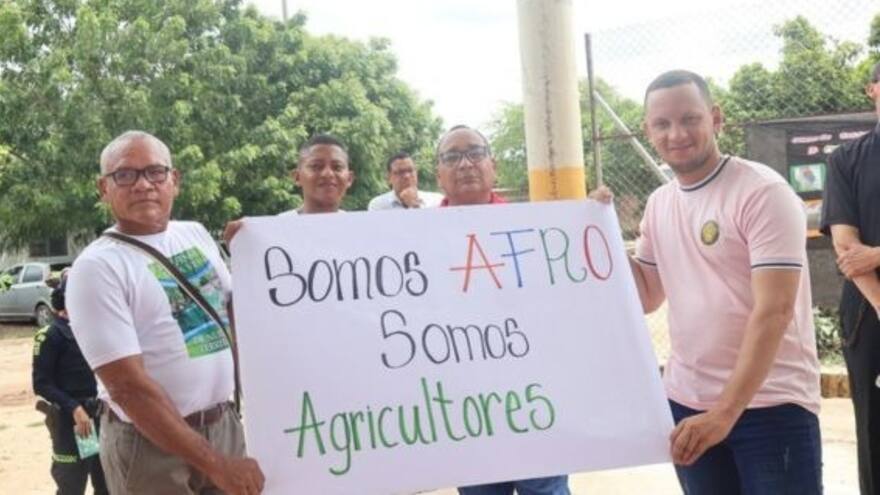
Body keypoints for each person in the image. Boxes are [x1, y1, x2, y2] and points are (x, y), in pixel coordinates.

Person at [625, 70, 822, 494]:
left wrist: (724, 413)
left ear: (715, 118)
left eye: (689, 118)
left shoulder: (763, 192)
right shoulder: (659, 204)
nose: (676, 133)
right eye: (662, 123)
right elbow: (645, 296)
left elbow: (775, 310)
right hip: (687, 403)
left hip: (770, 406)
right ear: (648, 130)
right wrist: (598, 235)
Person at [66, 130, 264, 495]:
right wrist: (216, 464)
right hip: (151, 445)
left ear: (175, 180)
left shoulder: (196, 234)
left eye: (155, 172)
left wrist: (258, 249)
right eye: (125, 175)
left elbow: (237, 312)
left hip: (223, 425)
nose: (143, 185)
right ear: (103, 188)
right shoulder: (97, 267)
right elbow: (127, 388)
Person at [436, 125, 569, 495]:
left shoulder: (534, 231)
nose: (465, 164)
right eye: (452, 157)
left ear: (493, 165)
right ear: (439, 174)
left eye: (475, 153)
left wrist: (595, 216)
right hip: (465, 411)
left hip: (534, 403)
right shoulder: (411, 239)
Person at [821, 61, 880, 494]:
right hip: (868, 312)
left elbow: (863, 254)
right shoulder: (846, 159)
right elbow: (846, 248)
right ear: (872, 90)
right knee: (874, 429)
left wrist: (876, 254)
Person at [32, 275, 109, 495]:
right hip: (74, 423)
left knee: (106, 484)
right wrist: (74, 408)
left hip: (100, 418)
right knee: (72, 485)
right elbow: (41, 384)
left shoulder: (92, 330)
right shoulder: (51, 335)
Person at [223, 134, 354, 244]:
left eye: (337, 167)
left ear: (349, 179)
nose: (327, 173)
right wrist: (240, 247)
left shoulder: (361, 232)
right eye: (316, 166)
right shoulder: (273, 232)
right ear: (297, 177)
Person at [368, 151, 443, 210]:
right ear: (389, 178)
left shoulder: (436, 201)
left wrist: (414, 205)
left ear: (416, 173)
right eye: (400, 172)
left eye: (410, 171)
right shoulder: (378, 206)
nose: (407, 176)